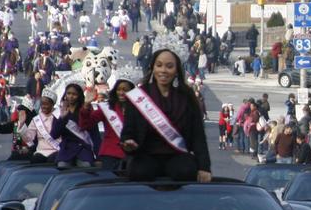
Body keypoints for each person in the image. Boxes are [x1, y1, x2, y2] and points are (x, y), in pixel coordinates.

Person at [121, 43, 212, 182]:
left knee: (186, 171)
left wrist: (204, 167)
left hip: (178, 155)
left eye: (169, 66)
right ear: (152, 68)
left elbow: (198, 135)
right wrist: (128, 143)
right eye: (159, 65)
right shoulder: (138, 97)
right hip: (146, 155)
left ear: (176, 71)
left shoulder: (187, 97)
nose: (163, 70)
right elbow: (127, 131)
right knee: (139, 172)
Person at [80, 79, 135, 170]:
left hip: (132, 153)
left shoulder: (138, 108)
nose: (121, 92)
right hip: (110, 153)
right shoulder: (107, 107)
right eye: (119, 90)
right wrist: (86, 104)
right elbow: (86, 124)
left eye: (125, 90)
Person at [50, 83, 99, 168]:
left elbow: (95, 133)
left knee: (86, 166)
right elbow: (54, 134)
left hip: (83, 148)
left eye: (74, 94)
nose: (71, 96)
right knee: (62, 166)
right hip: (67, 149)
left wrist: (98, 157)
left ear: (79, 96)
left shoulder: (86, 110)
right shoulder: (60, 111)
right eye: (68, 93)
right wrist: (62, 118)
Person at [20, 90, 60, 162]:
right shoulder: (37, 120)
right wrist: (22, 124)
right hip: (41, 152)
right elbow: (28, 138)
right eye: (42, 104)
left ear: (52, 104)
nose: (43, 107)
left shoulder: (59, 117)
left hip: (57, 150)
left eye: (46, 104)